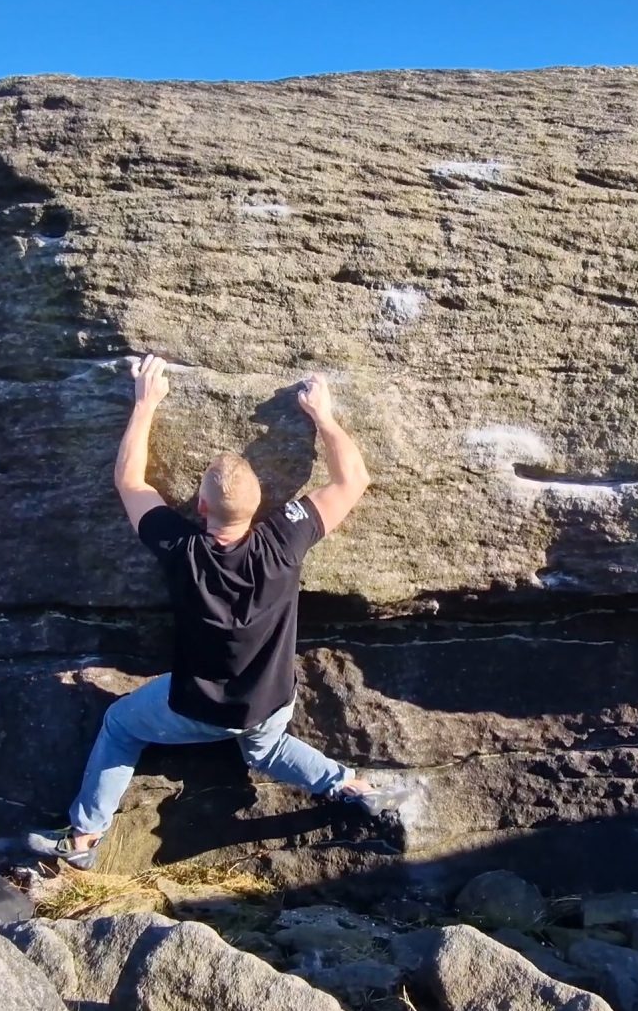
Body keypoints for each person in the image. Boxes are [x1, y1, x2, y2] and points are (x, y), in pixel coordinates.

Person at [27, 354, 377, 868]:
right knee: (266, 748)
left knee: (121, 724)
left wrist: (146, 403)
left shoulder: (181, 548)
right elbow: (353, 480)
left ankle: (83, 838)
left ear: (202, 508)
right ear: (260, 508)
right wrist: (323, 417)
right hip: (268, 702)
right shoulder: (284, 539)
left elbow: (130, 483)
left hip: (196, 709)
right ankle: (346, 784)